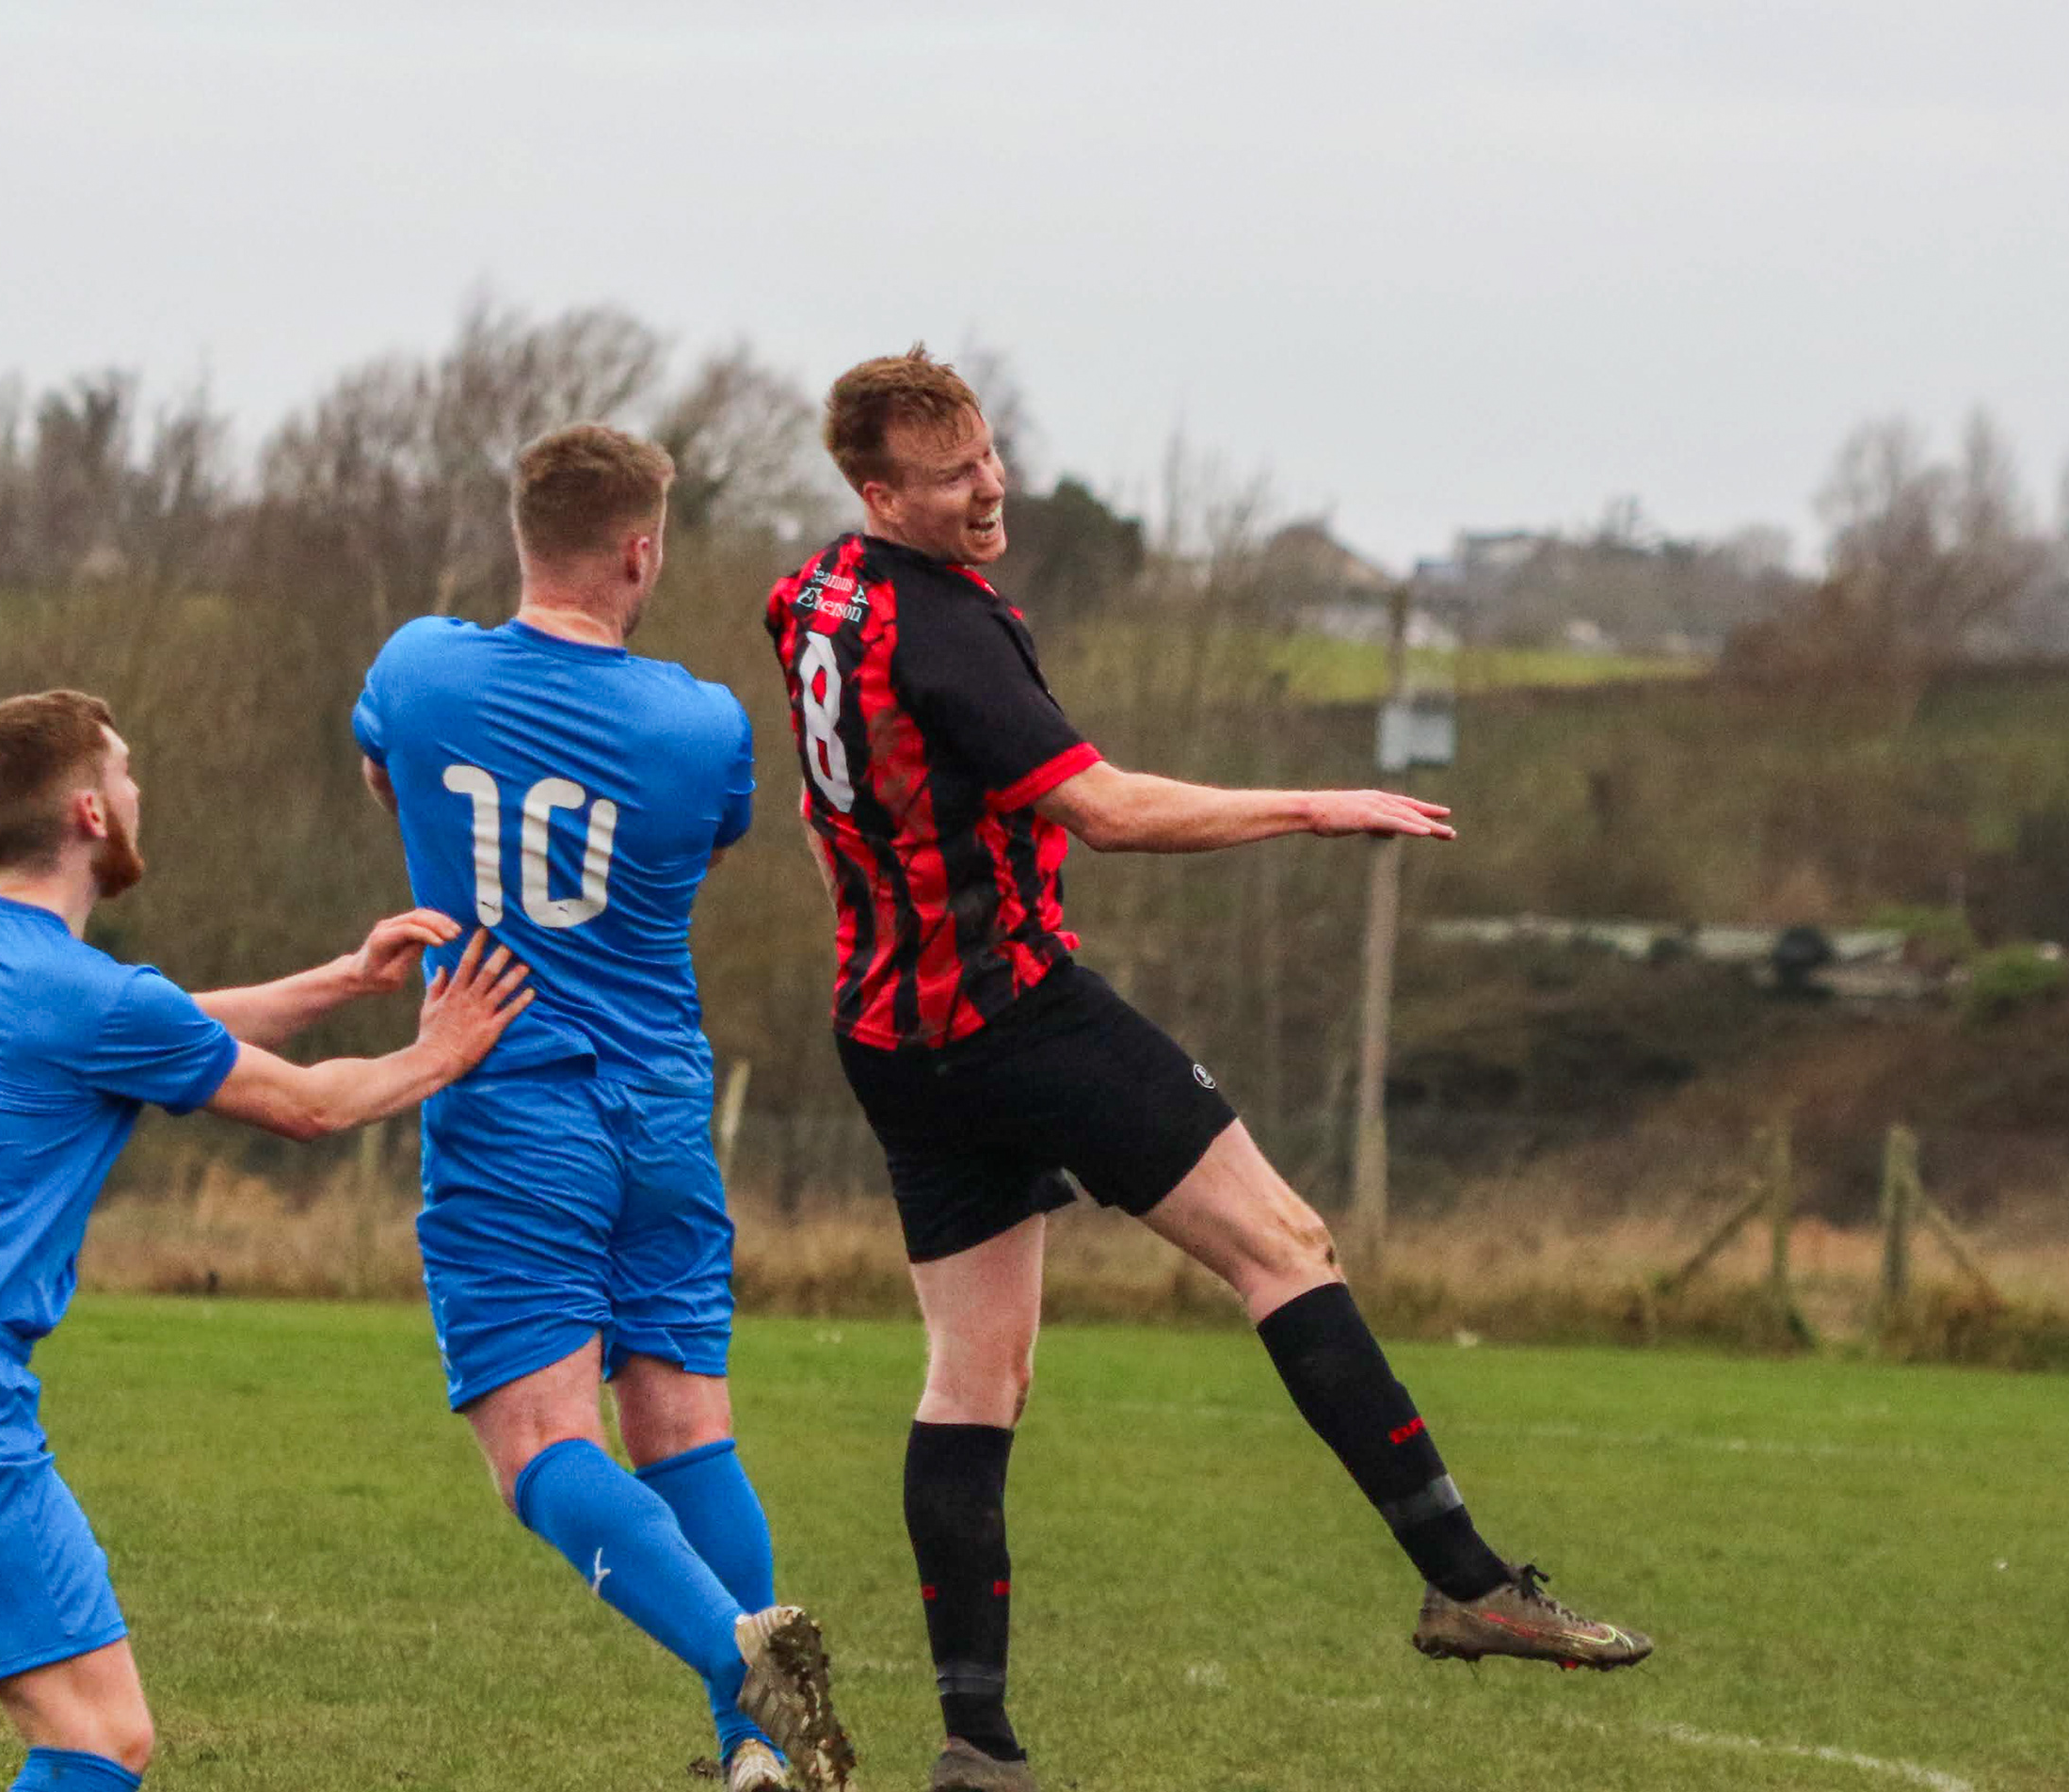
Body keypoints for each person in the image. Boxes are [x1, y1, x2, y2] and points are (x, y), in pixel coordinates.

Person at [763, 351, 1653, 1792]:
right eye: (952, 476)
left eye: (988, 454)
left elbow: (825, 814)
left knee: (976, 1375)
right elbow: (1105, 811)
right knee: (1284, 1247)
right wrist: (1316, 804)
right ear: (878, 493)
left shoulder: (812, 599)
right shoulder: (948, 630)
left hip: (887, 1039)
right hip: (1014, 1014)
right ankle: (1468, 1583)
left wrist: (883, 923)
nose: (990, 488)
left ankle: (977, 1743)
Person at [0, 688, 535, 1792]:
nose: (136, 791)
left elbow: (157, 1024)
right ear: (88, 813)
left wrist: (345, 979)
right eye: (123, 773)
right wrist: (439, 1055)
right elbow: (308, 1105)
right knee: (101, 1733)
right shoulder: (85, 995)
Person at [354, 424, 854, 1792]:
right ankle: (758, 1757)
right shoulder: (702, 722)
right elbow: (706, 841)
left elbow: (386, 773)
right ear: (641, 552)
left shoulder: (420, 668)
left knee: (540, 1444)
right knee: (686, 1426)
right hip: (661, 1107)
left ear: (524, 536)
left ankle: (744, 1668)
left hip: (511, 1097)